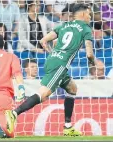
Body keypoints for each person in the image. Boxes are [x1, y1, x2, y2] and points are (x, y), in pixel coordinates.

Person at [5, 4, 96, 136]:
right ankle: (14, 113)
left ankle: (68, 126)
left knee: (72, 88)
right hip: (60, 65)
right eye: (89, 14)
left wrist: (51, 51)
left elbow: (43, 40)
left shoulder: (64, 25)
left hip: (53, 60)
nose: (90, 17)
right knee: (44, 94)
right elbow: (89, 53)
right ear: (82, 14)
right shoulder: (86, 29)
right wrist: (92, 61)